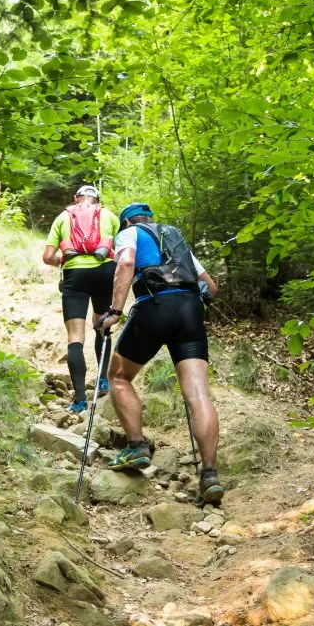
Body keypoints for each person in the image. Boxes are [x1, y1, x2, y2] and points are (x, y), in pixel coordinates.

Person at [96, 202, 225, 504]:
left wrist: (115, 311)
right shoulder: (175, 237)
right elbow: (212, 288)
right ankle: (209, 476)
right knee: (198, 395)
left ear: (127, 223)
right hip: (190, 312)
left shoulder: (130, 234)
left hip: (155, 307)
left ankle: (137, 446)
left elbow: (126, 264)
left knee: (118, 376)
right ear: (151, 219)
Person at [42, 184, 120, 414]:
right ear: (97, 199)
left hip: (75, 275)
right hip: (105, 272)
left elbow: (47, 257)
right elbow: (122, 250)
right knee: (102, 326)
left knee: (75, 336)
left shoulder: (63, 217)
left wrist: (63, 262)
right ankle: (103, 381)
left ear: (76, 199)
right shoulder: (109, 215)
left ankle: (79, 400)